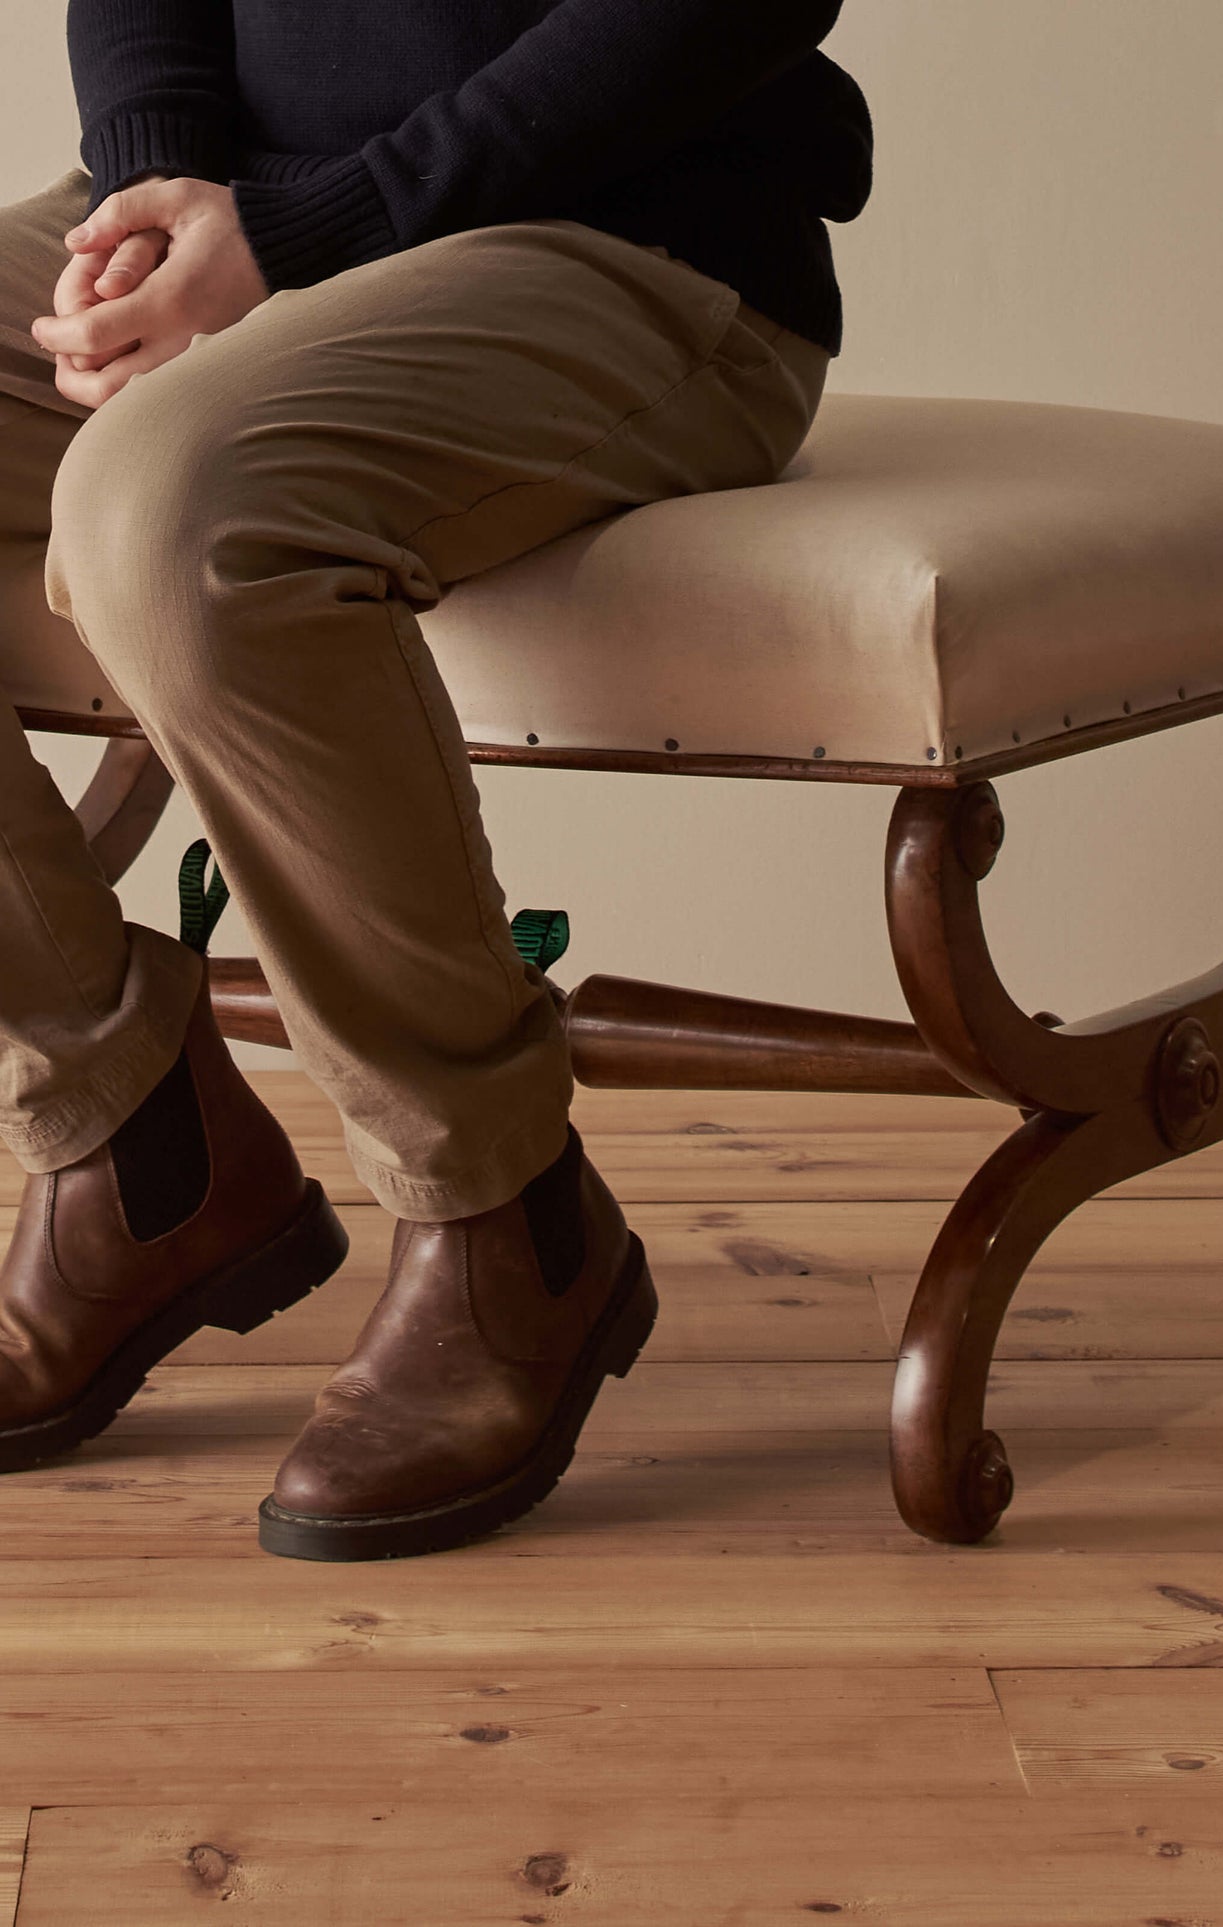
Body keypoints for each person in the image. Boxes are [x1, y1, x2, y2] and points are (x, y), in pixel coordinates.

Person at [0, 2, 872, 1561]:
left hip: (610, 234)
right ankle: (128, 1138)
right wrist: (159, 191)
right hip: (235, 209)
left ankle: (502, 1213)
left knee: (171, 513)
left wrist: (310, 233)